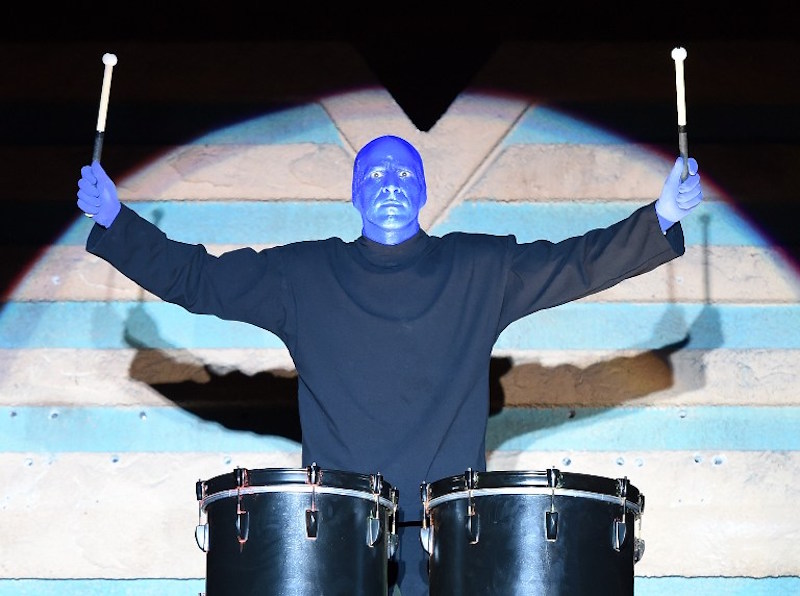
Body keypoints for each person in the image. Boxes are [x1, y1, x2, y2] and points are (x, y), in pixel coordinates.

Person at [76, 134, 703, 595]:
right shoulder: (304, 276)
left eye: (404, 175)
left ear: (425, 191)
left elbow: (577, 262)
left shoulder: (478, 269)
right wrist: (115, 222)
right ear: (353, 194)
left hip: (452, 537)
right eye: (374, 176)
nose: (391, 185)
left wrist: (661, 218)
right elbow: (201, 279)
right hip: (336, 541)